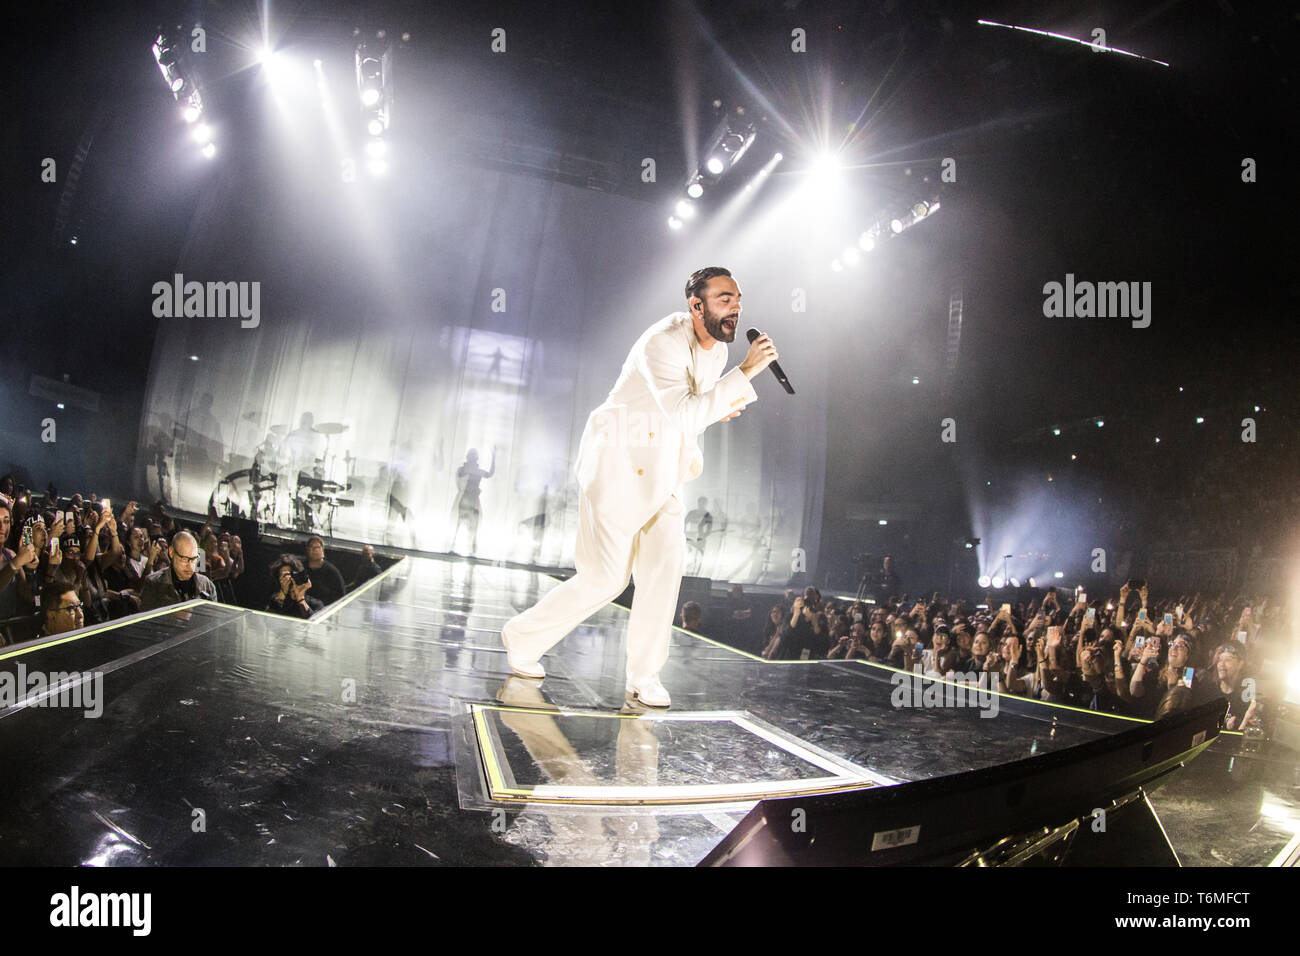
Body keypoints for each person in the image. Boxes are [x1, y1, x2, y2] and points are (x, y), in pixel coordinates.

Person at [499, 266, 778, 708]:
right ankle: (522, 636)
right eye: (725, 298)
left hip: (663, 468)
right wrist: (746, 372)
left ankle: (644, 677)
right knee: (606, 580)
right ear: (696, 305)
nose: (736, 307)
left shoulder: (716, 353)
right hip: (618, 464)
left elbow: (690, 409)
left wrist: (719, 403)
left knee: (666, 570)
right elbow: (686, 412)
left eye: (738, 299)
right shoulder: (661, 342)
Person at [140, 531, 217, 610]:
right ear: (171, 552)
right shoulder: (154, 583)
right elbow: (145, 617)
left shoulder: (206, 585)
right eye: (184, 559)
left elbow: (213, 619)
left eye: (194, 559)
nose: (189, 565)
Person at [303, 535, 345, 606]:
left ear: (322, 550)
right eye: (312, 547)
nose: (315, 550)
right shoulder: (301, 567)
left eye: (318, 547)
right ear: (307, 549)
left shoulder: (332, 571)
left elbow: (340, 595)